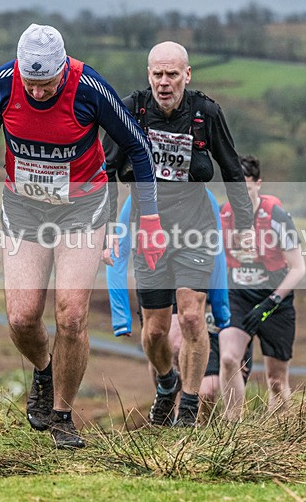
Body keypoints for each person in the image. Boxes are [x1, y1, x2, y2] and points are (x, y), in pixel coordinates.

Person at [0, 23, 165, 449]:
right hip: (23, 208)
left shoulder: (89, 87)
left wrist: (150, 219)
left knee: (71, 315)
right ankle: (44, 369)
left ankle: (61, 416)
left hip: (83, 209)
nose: (37, 92)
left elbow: (139, 149)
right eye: (31, 83)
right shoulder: (2, 84)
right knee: (21, 317)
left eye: (46, 83)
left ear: (62, 70)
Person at [103, 41, 253, 427]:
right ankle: (167, 384)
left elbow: (232, 170)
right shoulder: (129, 111)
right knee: (154, 331)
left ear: (187, 74)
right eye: (157, 74)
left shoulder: (206, 113)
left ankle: (188, 404)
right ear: (147, 75)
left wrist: (245, 225)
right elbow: (105, 172)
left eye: (172, 74)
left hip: (195, 229)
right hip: (147, 232)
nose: (164, 83)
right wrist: (107, 228)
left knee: (190, 318)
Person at [106, 191, 253, 416]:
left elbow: (217, 252)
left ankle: (185, 408)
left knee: (184, 336)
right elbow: (118, 252)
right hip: (154, 272)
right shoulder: (136, 199)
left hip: (190, 272)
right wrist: (120, 317)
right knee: (155, 335)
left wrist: (221, 307)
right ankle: (165, 389)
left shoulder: (204, 198)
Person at [218, 154, 306, 420]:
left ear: (258, 184)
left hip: (274, 299)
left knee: (276, 380)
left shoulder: (277, 216)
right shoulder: (224, 215)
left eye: (246, 189)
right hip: (239, 295)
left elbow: (299, 268)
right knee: (228, 359)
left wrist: (271, 303)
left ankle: (281, 437)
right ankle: (233, 427)